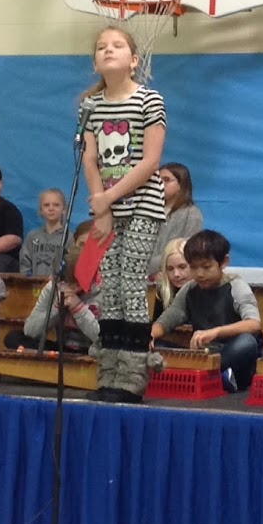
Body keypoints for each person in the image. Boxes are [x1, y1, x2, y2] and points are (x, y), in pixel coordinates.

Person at [81, 24, 168, 401]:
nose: (108, 50)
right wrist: (100, 205)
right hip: (108, 209)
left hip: (141, 206)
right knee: (110, 287)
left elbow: (150, 161)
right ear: (95, 62)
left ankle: (132, 377)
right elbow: (90, 160)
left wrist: (109, 198)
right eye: (102, 47)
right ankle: (109, 374)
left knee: (131, 282)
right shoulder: (91, 106)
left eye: (117, 45)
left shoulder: (149, 100)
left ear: (134, 60)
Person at [151, 228, 263, 391]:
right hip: (203, 355)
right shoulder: (189, 289)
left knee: (246, 343)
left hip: (231, 355)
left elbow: (254, 324)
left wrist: (216, 332)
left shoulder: (237, 286)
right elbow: (167, 320)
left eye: (206, 267)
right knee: (157, 344)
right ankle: (213, 376)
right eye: (193, 267)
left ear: (224, 262)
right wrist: (150, 335)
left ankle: (214, 375)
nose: (199, 274)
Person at [19, 188, 68, 277]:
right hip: (34, 283)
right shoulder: (32, 236)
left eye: (56, 205)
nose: (51, 208)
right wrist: (28, 279)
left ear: (64, 209)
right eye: (46, 205)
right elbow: (24, 263)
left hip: (58, 283)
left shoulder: (69, 238)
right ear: (41, 210)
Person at [155, 237, 191, 310]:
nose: (176, 274)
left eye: (182, 267)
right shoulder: (163, 292)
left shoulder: (205, 291)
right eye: (170, 269)